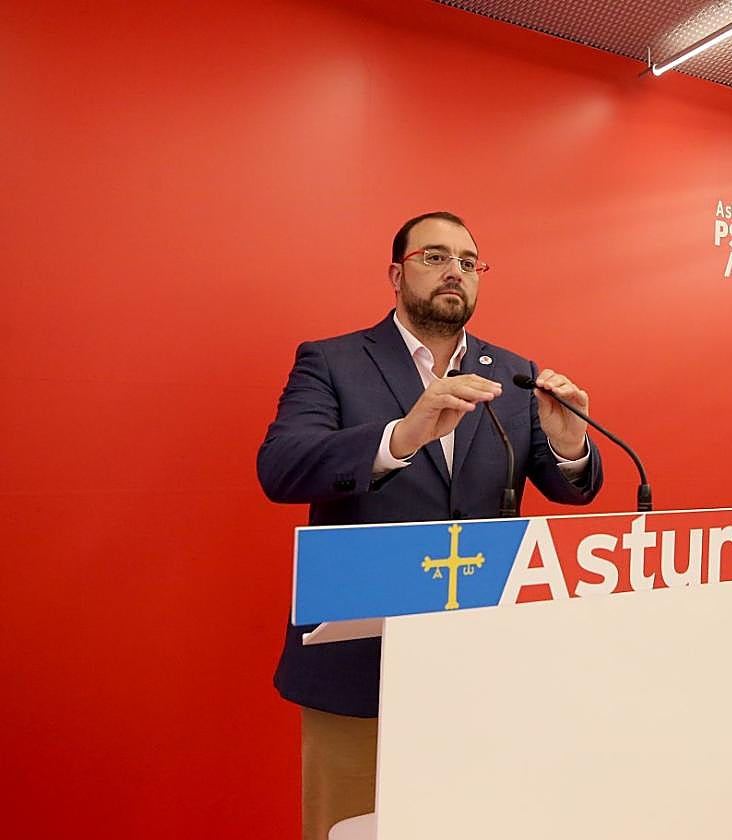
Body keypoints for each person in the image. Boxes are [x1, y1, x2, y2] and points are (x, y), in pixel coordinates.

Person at [257, 211, 603, 840]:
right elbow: (281, 468)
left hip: (479, 656)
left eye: (469, 262)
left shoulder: (513, 370)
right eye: (435, 257)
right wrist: (402, 437)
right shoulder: (333, 361)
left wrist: (570, 442)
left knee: (468, 820)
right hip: (358, 656)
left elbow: (567, 486)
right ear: (396, 274)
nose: (455, 272)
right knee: (348, 827)